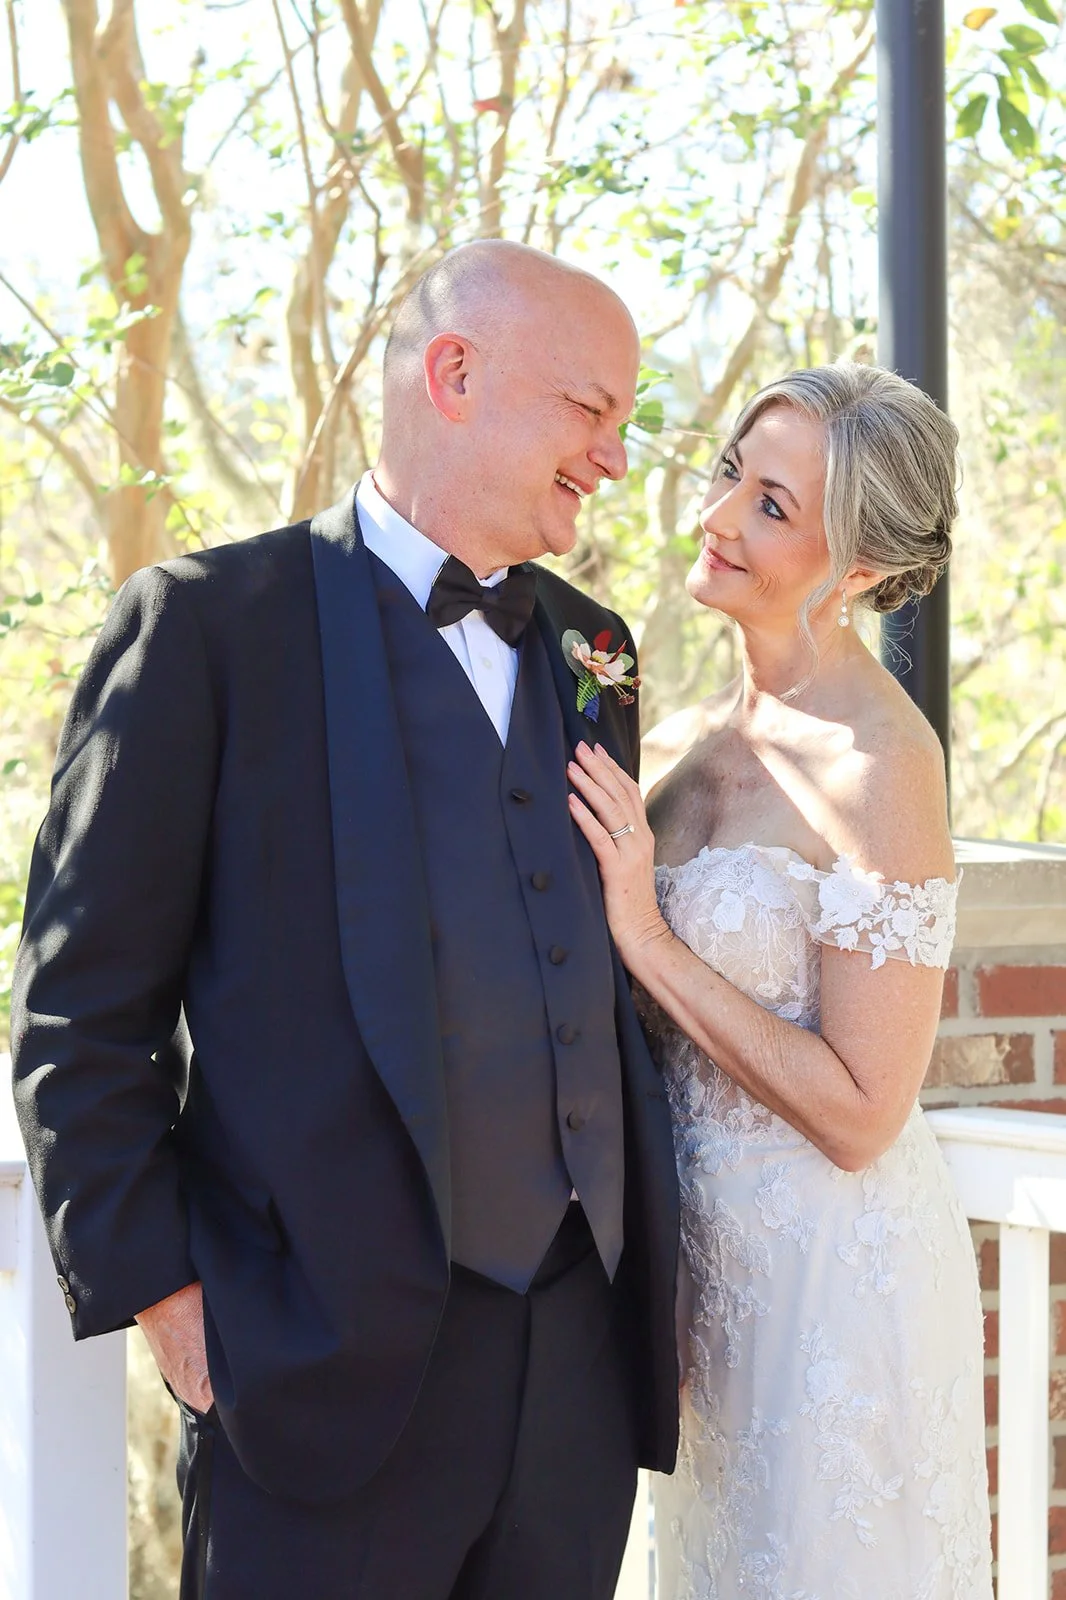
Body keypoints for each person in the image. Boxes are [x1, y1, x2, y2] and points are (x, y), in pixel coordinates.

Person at [10, 240, 680, 1600]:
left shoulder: (591, 645)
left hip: (572, 1383)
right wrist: (166, 1294)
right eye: (590, 409)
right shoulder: (205, 629)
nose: (614, 456)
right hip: (311, 1371)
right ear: (454, 372)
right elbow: (78, 1007)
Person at [568, 362, 994, 1599]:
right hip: (704, 1280)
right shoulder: (699, 727)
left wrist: (646, 936)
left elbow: (865, 1109)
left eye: (770, 505)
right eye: (727, 476)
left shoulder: (879, 764)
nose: (715, 517)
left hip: (828, 1288)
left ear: (857, 568)